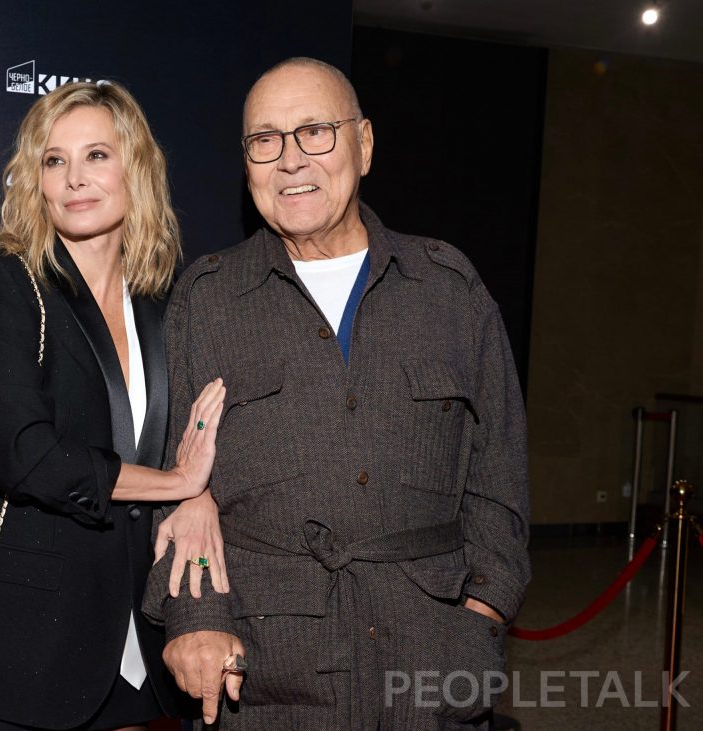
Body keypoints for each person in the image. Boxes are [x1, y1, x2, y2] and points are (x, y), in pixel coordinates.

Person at [143, 57, 530, 730]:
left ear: (365, 143)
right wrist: (196, 619)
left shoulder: (448, 289)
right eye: (265, 140)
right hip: (262, 672)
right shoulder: (208, 299)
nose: (290, 159)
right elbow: (174, 487)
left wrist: (483, 616)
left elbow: (499, 474)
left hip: (428, 660)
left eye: (315, 131)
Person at [0, 80, 229, 731]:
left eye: (97, 155)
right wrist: (178, 482)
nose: (75, 177)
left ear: (136, 170)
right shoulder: (0, 287)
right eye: (54, 160)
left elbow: (196, 436)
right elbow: (29, 457)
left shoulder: (166, 301)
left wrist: (202, 492)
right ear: (36, 181)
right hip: (26, 650)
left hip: (140, 639)